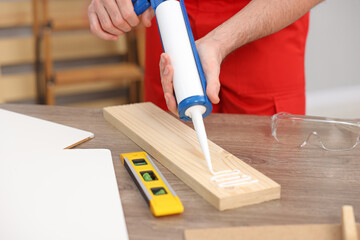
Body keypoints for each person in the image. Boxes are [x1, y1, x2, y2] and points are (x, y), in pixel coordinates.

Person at [88, 0, 324, 116]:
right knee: (165, 151)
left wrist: (221, 41)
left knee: (265, 167)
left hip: (263, 24)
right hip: (172, 20)